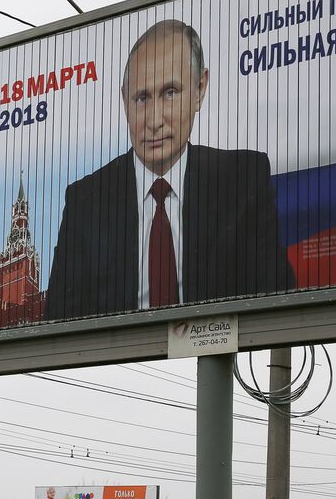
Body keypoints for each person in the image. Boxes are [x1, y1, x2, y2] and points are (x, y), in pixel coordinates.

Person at [45, 19, 294, 321]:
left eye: (170, 93)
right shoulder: (86, 201)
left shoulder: (244, 180)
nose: (154, 121)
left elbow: (276, 305)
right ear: (124, 101)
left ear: (200, 89)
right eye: (142, 98)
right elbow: (59, 324)